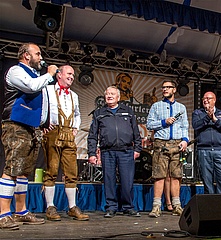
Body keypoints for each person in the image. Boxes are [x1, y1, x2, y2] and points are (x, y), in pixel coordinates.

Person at [0, 43, 58, 230]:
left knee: (24, 171)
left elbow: (43, 100)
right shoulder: (16, 71)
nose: (40, 57)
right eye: (37, 54)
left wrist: (44, 122)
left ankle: (21, 211)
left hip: (31, 128)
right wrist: (49, 74)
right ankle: (3, 214)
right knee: (11, 169)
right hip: (16, 124)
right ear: (26, 55)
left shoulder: (35, 75)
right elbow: (31, 87)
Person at [42, 65, 89, 221]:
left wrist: (75, 128)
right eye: (69, 74)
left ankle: (72, 207)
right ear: (59, 75)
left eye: (73, 75)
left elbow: (77, 114)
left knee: (71, 171)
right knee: (52, 170)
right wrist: (43, 124)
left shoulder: (74, 95)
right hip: (53, 132)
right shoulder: (47, 90)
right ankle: (50, 206)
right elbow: (42, 108)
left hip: (69, 133)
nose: (72, 77)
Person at [87, 86, 142, 218]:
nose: (109, 96)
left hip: (126, 151)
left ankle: (128, 207)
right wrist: (92, 153)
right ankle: (111, 207)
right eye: (107, 94)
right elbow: (92, 134)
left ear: (118, 97)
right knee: (109, 180)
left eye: (112, 94)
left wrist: (137, 149)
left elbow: (136, 132)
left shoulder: (128, 111)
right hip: (107, 151)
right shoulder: (99, 113)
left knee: (127, 181)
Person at [146, 80, 189, 218]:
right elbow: (149, 124)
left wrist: (185, 140)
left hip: (177, 144)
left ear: (174, 90)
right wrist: (164, 122)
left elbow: (184, 126)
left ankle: (177, 205)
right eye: (163, 87)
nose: (165, 89)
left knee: (176, 176)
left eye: (168, 87)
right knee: (159, 176)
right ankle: (156, 206)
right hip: (161, 143)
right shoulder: (156, 106)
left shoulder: (181, 108)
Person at [192, 91, 221, 194]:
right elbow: (196, 125)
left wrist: (214, 119)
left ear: (214, 100)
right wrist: (207, 118)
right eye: (204, 98)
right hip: (204, 150)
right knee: (207, 179)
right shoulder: (197, 113)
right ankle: (210, 205)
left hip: (220, 150)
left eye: (208, 98)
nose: (206, 100)